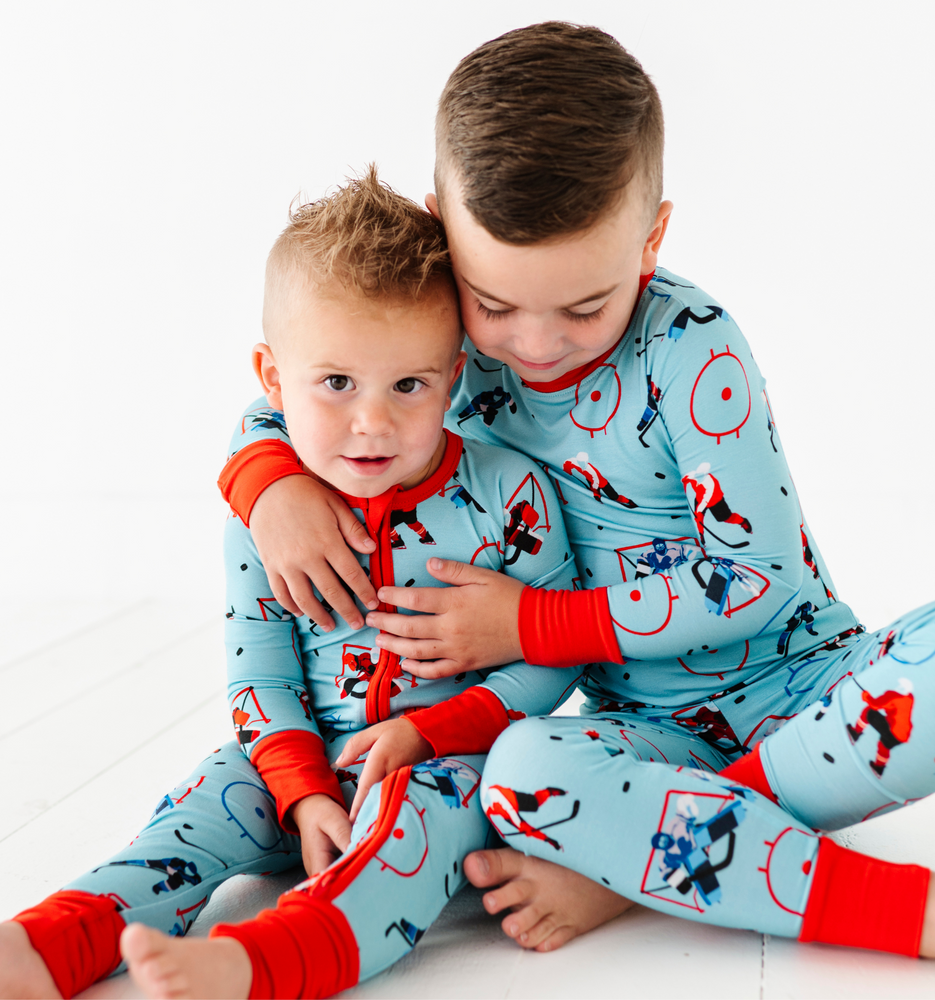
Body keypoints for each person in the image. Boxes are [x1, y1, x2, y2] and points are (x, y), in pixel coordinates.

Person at [220, 21, 935, 962]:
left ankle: (640, 863)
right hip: (641, 743)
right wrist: (267, 483)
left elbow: (753, 577)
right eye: (496, 304)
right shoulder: (446, 343)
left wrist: (533, 629)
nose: (536, 343)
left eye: (587, 306)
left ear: (652, 238)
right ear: (444, 227)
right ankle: (683, 852)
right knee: (522, 772)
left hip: (814, 695)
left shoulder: (693, 350)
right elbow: (298, 391)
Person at [0, 169, 594, 999]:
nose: (372, 421)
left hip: (450, 767)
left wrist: (429, 736)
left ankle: (261, 962)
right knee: (190, 815)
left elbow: (551, 659)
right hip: (286, 764)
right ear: (273, 379)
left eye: (409, 385)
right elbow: (261, 676)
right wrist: (300, 789)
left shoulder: (510, 496)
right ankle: (37, 950)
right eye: (336, 383)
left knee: (410, 835)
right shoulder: (268, 519)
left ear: (454, 377)